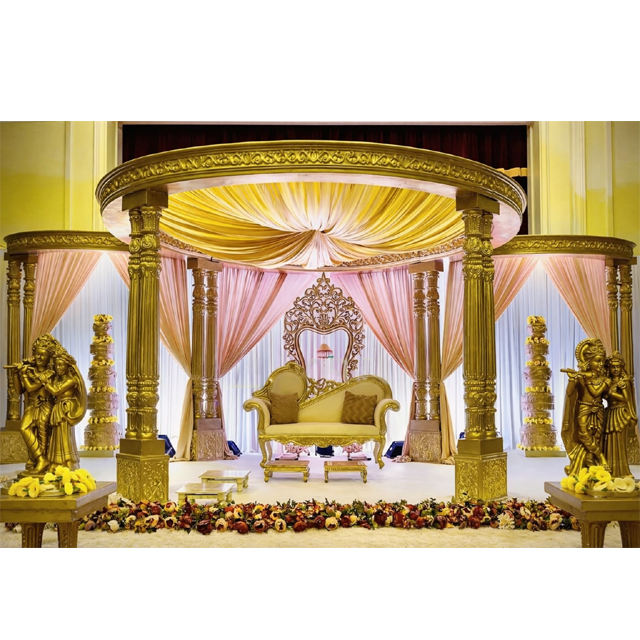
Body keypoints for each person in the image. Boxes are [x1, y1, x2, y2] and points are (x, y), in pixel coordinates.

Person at [561, 338, 610, 476]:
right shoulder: (581, 376)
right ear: (588, 361)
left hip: (598, 409)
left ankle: (590, 462)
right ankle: (601, 457)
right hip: (584, 408)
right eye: (597, 361)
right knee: (583, 434)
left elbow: (598, 393)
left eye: (602, 361)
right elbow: (570, 393)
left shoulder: (604, 379)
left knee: (597, 437)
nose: (601, 364)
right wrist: (572, 379)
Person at [15, 334, 60, 473]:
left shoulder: (50, 373)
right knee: (24, 428)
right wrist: (17, 374)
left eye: (43, 355)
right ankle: (40, 459)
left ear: (48, 357)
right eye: (37, 354)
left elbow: (31, 388)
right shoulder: (30, 371)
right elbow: (20, 390)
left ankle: (42, 462)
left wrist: (24, 375)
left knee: (43, 434)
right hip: (31, 406)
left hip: (45, 405)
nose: (39, 358)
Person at [44, 348, 87, 471]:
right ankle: (56, 462)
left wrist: (45, 382)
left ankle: (68, 461)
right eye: (57, 365)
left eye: (61, 365)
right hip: (57, 408)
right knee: (56, 435)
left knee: (65, 435)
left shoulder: (71, 380)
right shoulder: (57, 379)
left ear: (67, 366)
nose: (58, 367)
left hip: (65, 410)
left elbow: (56, 391)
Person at [603, 352, 636, 478]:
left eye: (618, 367)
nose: (615, 369)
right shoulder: (608, 381)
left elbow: (626, 399)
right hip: (610, 412)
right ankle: (610, 470)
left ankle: (621, 471)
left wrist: (612, 393)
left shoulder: (624, 382)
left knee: (619, 442)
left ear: (621, 367)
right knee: (609, 441)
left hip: (620, 412)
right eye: (613, 367)